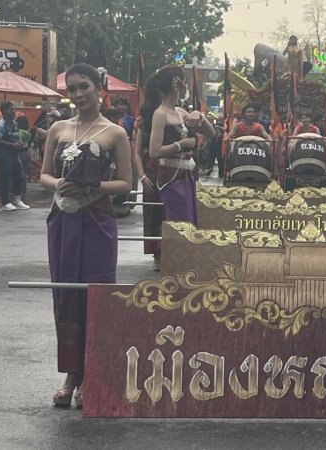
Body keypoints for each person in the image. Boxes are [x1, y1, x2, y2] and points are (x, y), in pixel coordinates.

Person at [39, 63, 133, 407]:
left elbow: (126, 184)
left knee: (97, 294)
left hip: (98, 221)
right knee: (65, 295)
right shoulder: (58, 129)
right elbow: (44, 176)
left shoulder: (115, 133)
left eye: (85, 87)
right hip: (62, 220)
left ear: (100, 88)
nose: (78, 94)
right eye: (72, 89)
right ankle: (71, 373)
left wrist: (94, 186)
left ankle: (95, 372)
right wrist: (60, 184)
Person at [144, 64, 215, 224]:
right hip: (171, 176)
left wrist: (200, 116)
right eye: (184, 81)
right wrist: (181, 144)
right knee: (179, 222)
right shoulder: (160, 114)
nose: (186, 86)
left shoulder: (181, 112)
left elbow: (211, 134)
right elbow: (154, 151)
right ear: (176, 84)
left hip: (187, 175)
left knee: (190, 221)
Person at [133, 119, 164, 271]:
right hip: (151, 174)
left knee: (171, 215)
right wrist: (142, 175)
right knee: (153, 214)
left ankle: (172, 251)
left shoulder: (174, 120)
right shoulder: (144, 126)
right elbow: (137, 153)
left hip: (173, 174)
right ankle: (157, 254)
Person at [0, 101, 30, 211]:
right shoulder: (1, 125)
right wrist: (11, 145)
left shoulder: (14, 123)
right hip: (4, 154)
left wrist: (19, 143)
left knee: (19, 176)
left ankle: (17, 199)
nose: (13, 111)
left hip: (15, 154)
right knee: (5, 178)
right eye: (11, 109)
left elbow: (16, 136)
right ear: (4, 111)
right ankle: (5, 202)